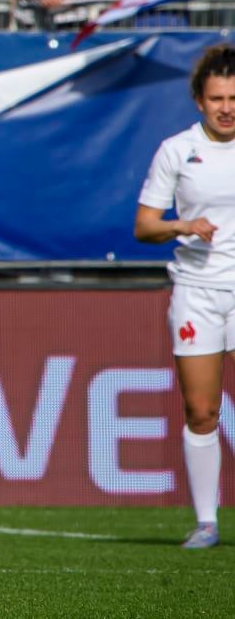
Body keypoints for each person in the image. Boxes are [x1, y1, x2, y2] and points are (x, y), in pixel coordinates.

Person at [135, 43, 235, 550]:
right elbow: (145, 226)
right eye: (217, 98)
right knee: (202, 410)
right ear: (200, 100)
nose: (227, 107)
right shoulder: (177, 150)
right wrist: (183, 225)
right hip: (197, 290)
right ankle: (206, 522)